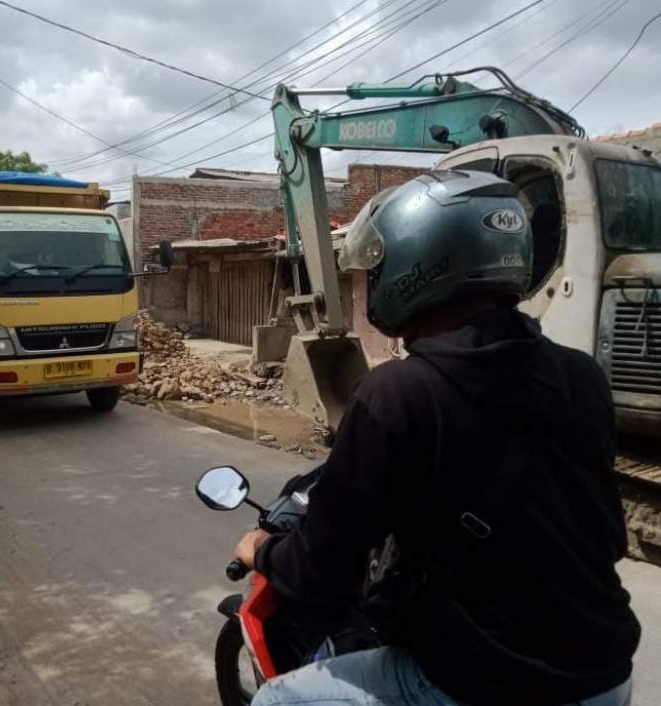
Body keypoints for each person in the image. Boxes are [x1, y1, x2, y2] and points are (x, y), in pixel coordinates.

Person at [234, 171, 640, 706]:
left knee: (274, 700)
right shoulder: (582, 375)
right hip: (604, 675)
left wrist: (264, 552)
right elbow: (607, 535)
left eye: (378, 270)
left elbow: (322, 572)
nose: (373, 284)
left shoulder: (396, 393)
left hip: (489, 682)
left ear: (418, 266)